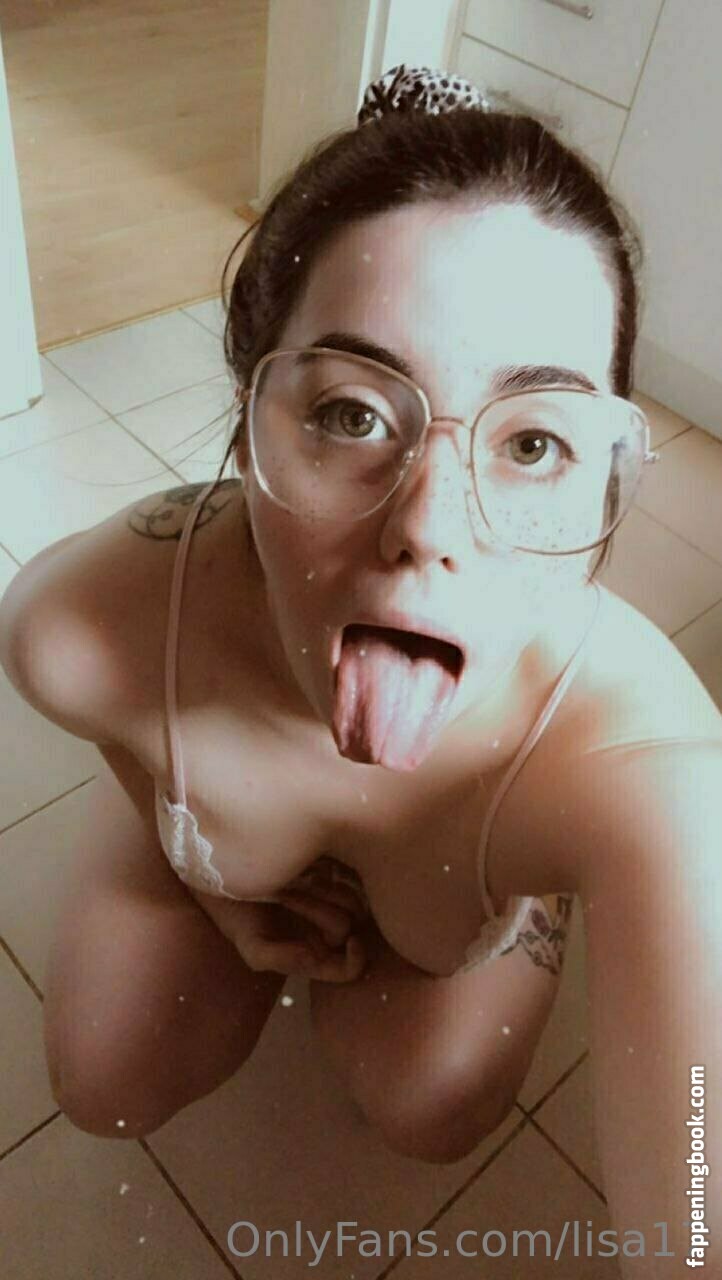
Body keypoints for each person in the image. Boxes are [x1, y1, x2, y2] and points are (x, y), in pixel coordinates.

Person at [1, 63, 720, 1272]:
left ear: (602, 470)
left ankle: (522, 889)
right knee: (104, 1078)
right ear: (250, 423)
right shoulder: (81, 629)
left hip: (508, 842)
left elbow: (696, 1190)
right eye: (350, 413)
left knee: (429, 1100)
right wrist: (207, 868)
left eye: (531, 442)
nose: (427, 525)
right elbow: (106, 715)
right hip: (195, 755)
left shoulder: (633, 761)